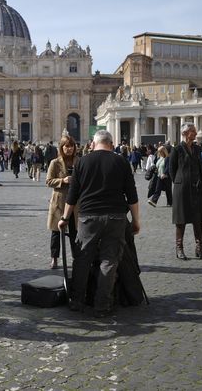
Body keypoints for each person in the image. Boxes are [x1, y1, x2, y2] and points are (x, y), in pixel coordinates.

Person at [58, 130, 140, 317]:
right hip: (116, 217)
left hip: (88, 217)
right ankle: (102, 305)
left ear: (93, 145)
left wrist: (64, 218)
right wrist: (136, 221)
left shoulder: (82, 162)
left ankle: (77, 301)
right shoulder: (121, 162)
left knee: (82, 259)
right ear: (111, 145)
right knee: (109, 260)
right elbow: (132, 196)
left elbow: (72, 195)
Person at [169, 122, 202, 260]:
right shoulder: (177, 149)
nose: (195, 133)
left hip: (197, 188)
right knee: (181, 219)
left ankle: (199, 248)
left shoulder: (198, 149)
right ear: (185, 133)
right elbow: (171, 170)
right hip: (182, 189)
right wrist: (181, 181)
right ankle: (179, 248)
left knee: (197, 218)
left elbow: (200, 167)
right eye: (192, 131)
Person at [46, 135, 79, 269]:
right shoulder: (55, 162)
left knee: (74, 232)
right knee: (56, 232)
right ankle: (54, 258)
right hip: (59, 202)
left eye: (71, 146)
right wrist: (62, 181)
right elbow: (48, 181)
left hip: (75, 203)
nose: (69, 148)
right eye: (66, 146)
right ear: (62, 147)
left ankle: (77, 257)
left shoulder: (80, 161)